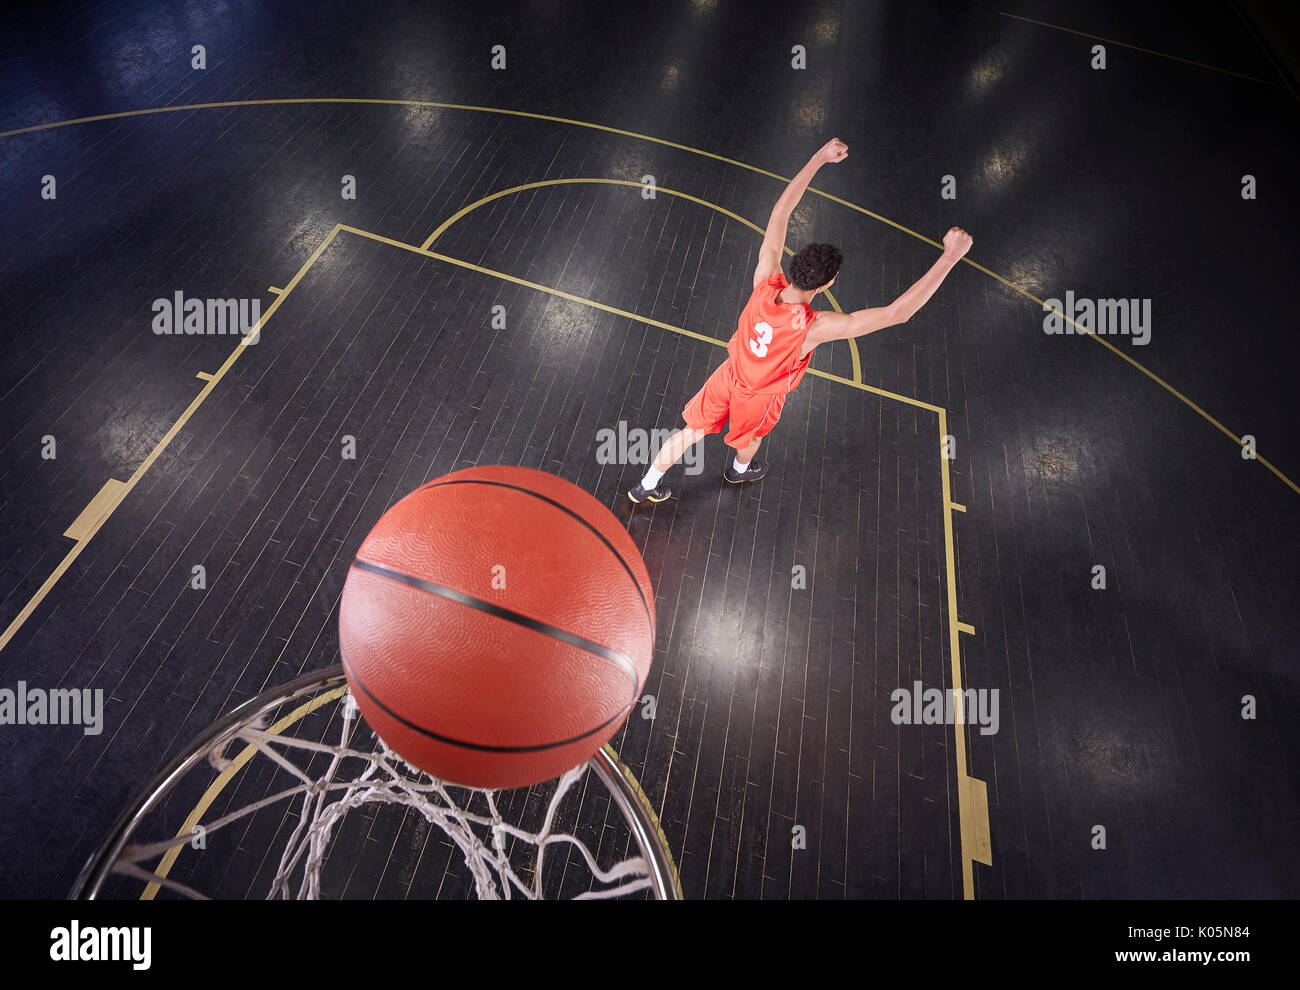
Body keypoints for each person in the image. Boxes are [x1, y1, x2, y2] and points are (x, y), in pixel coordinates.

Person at [628, 137, 973, 504]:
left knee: (690, 431)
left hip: (728, 374)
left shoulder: (765, 279)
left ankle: (646, 484)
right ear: (828, 283)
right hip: (759, 398)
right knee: (753, 438)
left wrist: (819, 158)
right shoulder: (813, 327)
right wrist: (950, 257)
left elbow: (780, 214)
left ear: (794, 264)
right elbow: (896, 314)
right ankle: (738, 470)